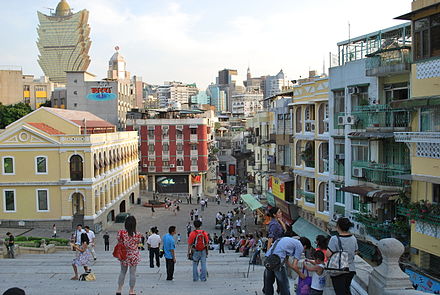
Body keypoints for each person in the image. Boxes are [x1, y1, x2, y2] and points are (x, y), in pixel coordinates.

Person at [326, 217, 358, 295]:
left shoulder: (334, 239)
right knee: (347, 291)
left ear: (338, 226)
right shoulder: (353, 238)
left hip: (339, 270)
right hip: (351, 269)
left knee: (340, 292)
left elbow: (328, 254)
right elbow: (356, 252)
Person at [116, 216, 141, 295]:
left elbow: (119, 240)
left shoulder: (121, 232)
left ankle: (119, 289)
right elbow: (138, 242)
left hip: (124, 254)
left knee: (122, 272)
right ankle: (131, 290)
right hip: (134, 254)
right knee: (132, 273)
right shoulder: (137, 234)